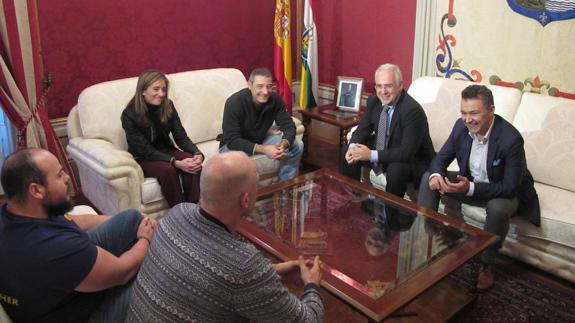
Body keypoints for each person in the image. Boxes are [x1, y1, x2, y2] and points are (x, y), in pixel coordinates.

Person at [126, 151, 324, 322]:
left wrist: (272, 270)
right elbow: (308, 319)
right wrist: (312, 285)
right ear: (245, 200)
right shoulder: (244, 265)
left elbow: (214, 274)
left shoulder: (177, 212)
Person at [0, 148, 157, 322]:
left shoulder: (17, 212)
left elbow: (74, 220)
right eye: (59, 175)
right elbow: (123, 272)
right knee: (155, 279)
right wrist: (145, 238)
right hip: (84, 316)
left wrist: (125, 221)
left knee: (132, 218)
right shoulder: (54, 248)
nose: (67, 178)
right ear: (36, 190)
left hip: (63, 289)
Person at [417, 84, 540, 291]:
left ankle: (487, 263)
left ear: (491, 111)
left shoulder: (511, 139)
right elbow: (440, 159)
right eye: (464, 113)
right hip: (470, 183)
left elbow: (510, 187)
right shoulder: (460, 127)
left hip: (502, 190)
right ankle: (426, 242)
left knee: (499, 208)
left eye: (474, 113)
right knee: (428, 177)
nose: (468, 119)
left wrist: (469, 189)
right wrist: (437, 175)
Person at [342, 64, 435, 200]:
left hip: (415, 159)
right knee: (347, 150)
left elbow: (406, 152)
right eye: (379, 86)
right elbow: (363, 129)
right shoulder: (374, 100)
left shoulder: (412, 110)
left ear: (400, 86)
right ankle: (353, 199)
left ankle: (391, 213)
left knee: (396, 169)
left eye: (388, 86)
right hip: (389, 147)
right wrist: (352, 148)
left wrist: (370, 155)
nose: (383, 91)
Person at [122, 69, 203, 207]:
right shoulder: (129, 114)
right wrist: (175, 162)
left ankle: (193, 208)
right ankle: (179, 213)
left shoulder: (168, 105)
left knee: (192, 162)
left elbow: (180, 136)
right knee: (168, 170)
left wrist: (197, 153)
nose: (161, 94)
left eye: (164, 89)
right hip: (144, 157)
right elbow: (145, 150)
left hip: (166, 150)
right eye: (156, 89)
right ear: (143, 90)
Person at [220, 67, 303, 181]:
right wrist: (264, 149)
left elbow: (288, 125)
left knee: (297, 145)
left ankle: (283, 187)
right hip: (234, 146)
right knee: (231, 163)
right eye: (260, 86)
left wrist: (283, 144)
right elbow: (232, 140)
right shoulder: (234, 102)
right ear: (250, 85)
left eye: (269, 86)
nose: (265, 91)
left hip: (259, 139)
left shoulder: (275, 100)